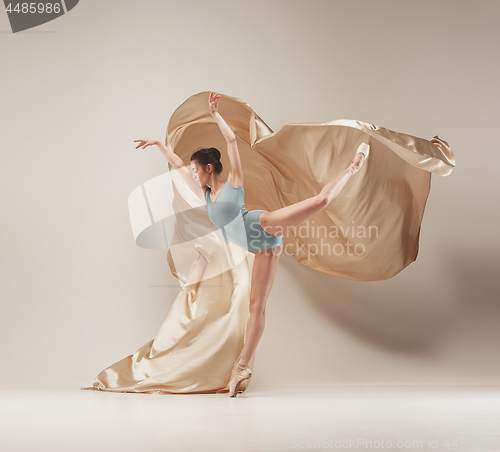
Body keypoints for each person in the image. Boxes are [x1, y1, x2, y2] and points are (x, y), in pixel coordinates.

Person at [135, 92, 370, 397]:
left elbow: (232, 143)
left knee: (321, 201)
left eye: (196, 170)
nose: (192, 175)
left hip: (263, 225)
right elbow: (179, 166)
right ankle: (242, 368)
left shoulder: (233, 181)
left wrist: (216, 115)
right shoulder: (206, 195)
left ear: (208, 168)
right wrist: (158, 143)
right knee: (255, 307)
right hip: (262, 249)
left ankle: (354, 165)